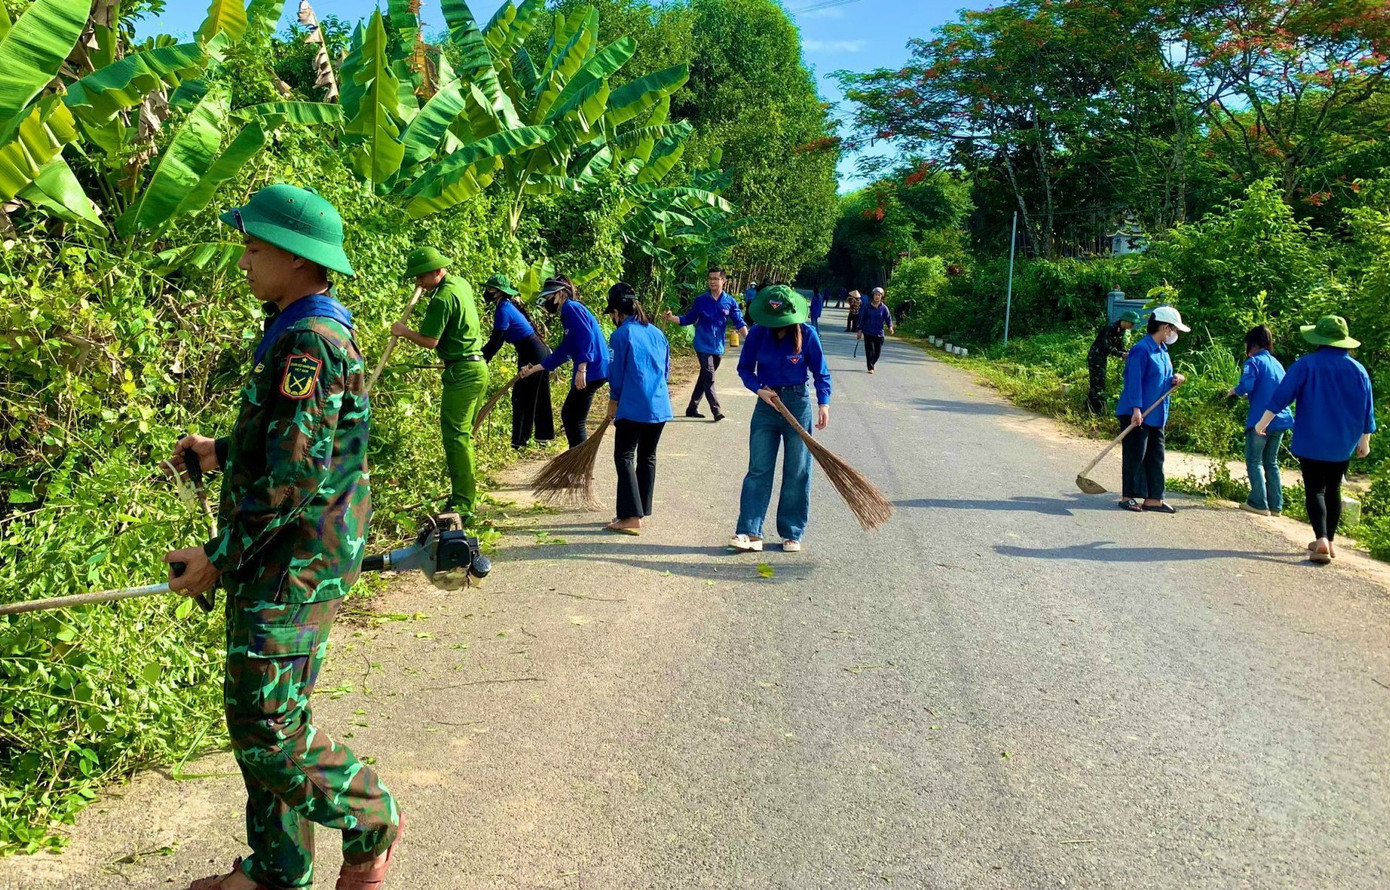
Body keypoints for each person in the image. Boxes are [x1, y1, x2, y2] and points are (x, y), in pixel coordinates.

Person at [163, 184, 400, 890]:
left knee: (269, 730)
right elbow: (287, 440)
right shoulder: (293, 324)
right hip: (281, 558)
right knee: (260, 719)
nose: (244, 260)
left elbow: (295, 477)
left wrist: (219, 556)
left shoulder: (309, 340)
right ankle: (276, 868)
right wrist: (222, 449)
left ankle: (371, 817)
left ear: (297, 259)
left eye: (254, 247)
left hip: (294, 564)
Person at [1256, 315, 1376, 563]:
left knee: (1315, 489)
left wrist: (1263, 422)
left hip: (1311, 439)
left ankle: (1320, 538)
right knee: (1333, 489)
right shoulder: (1358, 369)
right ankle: (1329, 541)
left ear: (1319, 339)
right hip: (1343, 441)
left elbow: (1282, 396)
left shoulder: (1306, 364)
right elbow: (1368, 408)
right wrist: (1365, 440)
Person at [730, 285, 832, 554]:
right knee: (759, 468)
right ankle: (749, 531)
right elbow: (744, 369)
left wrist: (824, 403)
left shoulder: (807, 334)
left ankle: (791, 532)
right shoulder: (758, 334)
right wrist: (759, 389)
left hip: (797, 404)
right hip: (766, 405)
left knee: (797, 470)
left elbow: (821, 373)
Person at [392, 247, 487, 519]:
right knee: (463, 437)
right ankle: (466, 495)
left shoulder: (442, 299)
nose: (418, 283)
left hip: (463, 373)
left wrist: (403, 331)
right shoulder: (460, 284)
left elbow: (430, 341)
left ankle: (463, 504)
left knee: (456, 439)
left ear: (437, 271)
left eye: (421, 277)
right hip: (476, 368)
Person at [605, 282, 672, 535]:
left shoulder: (621, 335)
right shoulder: (657, 332)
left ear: (616, 312)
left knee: (624, 456)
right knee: (647, 456)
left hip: (633, 406)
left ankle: (630, 516)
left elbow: (617, 374)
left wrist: (613, 401)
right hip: (659, 405)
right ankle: (641, 508)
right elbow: (665, 370)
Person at [1115, 305, 1189, 513]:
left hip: (1157, 414)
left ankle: (1154, 498)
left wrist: (1175, 379)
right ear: (1165, 327)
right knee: (1135, 455)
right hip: (1137, 412)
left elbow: (1160, 380)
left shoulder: (1163, 351)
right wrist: (1136, 409)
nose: (1174, 334)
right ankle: (1128, 496)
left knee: (1156, 455)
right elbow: (1133, 381)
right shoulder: (1141, 349)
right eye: (1173, 329)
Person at [520, 276, 609, 447]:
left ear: (560, 294)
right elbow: (565, 350)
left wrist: (582, 368)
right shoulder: (568, 312)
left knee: (572, 416)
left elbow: (587, 336)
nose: (547, 302)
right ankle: (579, 466)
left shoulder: (571, 308)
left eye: (549, 298)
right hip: (593, 366)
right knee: (572, 416)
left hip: (592, 367)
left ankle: (580, 467)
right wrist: (537, 368)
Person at [480, 273, 555, 449]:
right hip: (535, 350)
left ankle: (520, 442)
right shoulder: (506, 306)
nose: (487, 292)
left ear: (498, 292)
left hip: (532, 352)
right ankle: (542, 438)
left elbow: (496, 341)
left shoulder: (504, 309)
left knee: (522, 396)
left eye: (490, 289)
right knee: (535, 395)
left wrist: (483, 358)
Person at [663, 267, 748, 421]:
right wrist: (671, 318)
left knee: (704, 377)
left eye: (716, 278)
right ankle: (716, 411)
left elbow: (739, 322)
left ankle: (692, 408)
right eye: (710, 279)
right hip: (702, 345)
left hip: (718, 347)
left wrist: (748, 340)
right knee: (709, 377)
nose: (712, 282)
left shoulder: (730, 302)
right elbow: (688, 319)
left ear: (724, 280)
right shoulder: (701, 300)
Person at [1229, 325, 1293, 516]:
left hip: (1260, 421)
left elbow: (1247, 384)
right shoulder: (1277, 364)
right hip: (1280, 419)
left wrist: (1234, 391)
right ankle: (1275, 506)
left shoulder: (1253, 362)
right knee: (1271, 463)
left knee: (1254, 461)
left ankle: (1258, 502)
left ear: (1252, 344)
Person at [1086, 310, 1142, 414]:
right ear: (1125, 320)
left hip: (1102, 357)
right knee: (1098, 382)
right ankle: (1094, 409)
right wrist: (1120, 354)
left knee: (1099, 382)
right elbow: (1106, 345)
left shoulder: (1121, 330)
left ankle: (1091, 406)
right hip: (1096, 356)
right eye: (1132, 323)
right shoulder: (1110, 328)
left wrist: (1127, 352)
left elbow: (1118, 346)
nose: (1132, 326)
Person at [857, 287, 895, 374]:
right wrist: (859, 330)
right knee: (869, 351)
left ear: (881, 297)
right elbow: (862, 319)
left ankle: (872, 363)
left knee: (877, 353)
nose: (877, 297)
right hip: (868, 332)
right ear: (873, 296)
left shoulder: (884, 308)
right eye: (875, 295)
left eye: (879, 295)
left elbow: (888, 319)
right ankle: (870, 367)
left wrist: (890, 327)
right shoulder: (867, 307)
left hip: (879, 333)